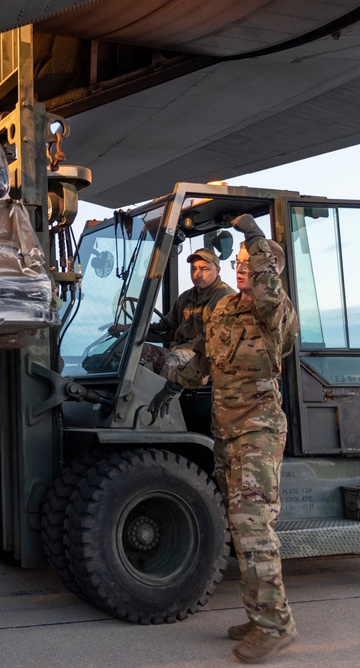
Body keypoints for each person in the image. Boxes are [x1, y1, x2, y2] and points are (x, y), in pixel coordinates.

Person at [149, 214, 298, 663]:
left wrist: (253, 234)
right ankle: (259, 615)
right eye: (239, 261)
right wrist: (171, 381)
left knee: (254, 526)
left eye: (251, 262)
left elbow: (269, 291)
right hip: (227, 432)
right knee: (238, 527)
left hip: (258, 429)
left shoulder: (275, 313)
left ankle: (275, 626)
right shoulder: (224, 311)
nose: (241, 267)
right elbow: (206, 364)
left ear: (269, 270)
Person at [144, 247, 234, 377]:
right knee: (135, 352)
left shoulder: (225, 298)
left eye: (205, 269)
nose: (198, 274)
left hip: (206, 357)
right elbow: (168, 330)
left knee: (173, 359)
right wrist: (131, 331)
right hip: (180, 351)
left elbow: (209, 341)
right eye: (194, 269)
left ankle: (160, 397)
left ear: (217, 270)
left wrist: (178, 350)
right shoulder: (185, 297)